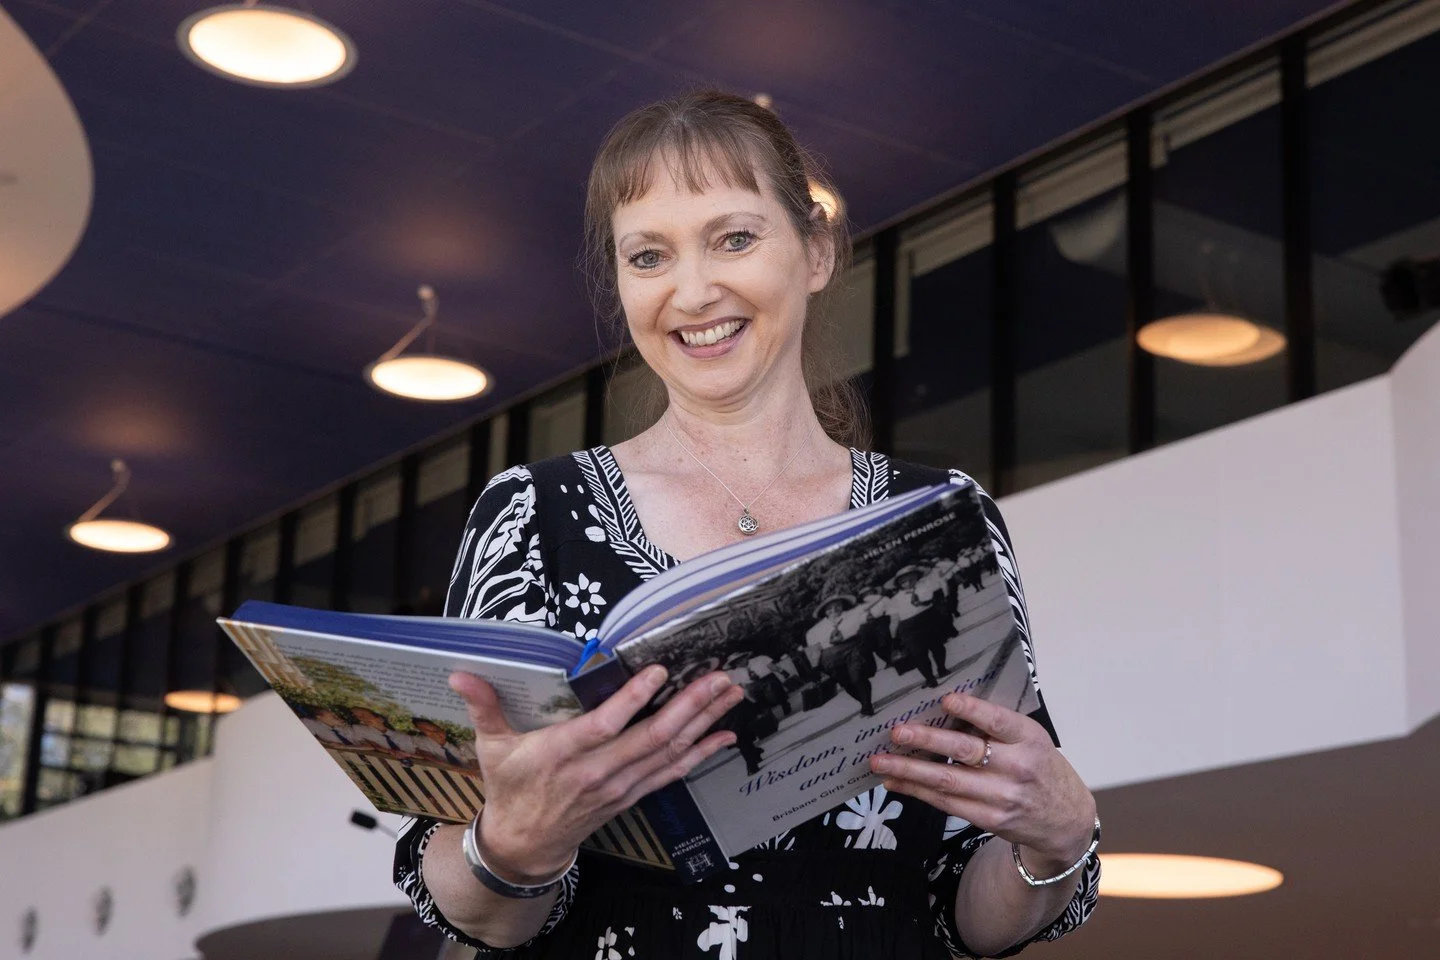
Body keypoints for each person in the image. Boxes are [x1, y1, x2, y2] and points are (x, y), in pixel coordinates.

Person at [395, 90, 1099, 959]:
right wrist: (512, 845)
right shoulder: (531, 517)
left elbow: (970, 917)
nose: (694, 291)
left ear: (814, 251)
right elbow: (469, 907)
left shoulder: (940, 519)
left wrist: (1055, 842)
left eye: (734, 239)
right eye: (649, 256)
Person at [806, 594, 877, 715]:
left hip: (853, 648)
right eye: (829, 608)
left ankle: (867, 705)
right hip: (831, 657)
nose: (833, 610)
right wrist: (815, 668)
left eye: (837, 606)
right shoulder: (814, 630)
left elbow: (872, 604)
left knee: (858, 676)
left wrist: (864, 601)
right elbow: (815, 650)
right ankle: (864, 702)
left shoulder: (854, 614)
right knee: (846, 682)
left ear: (843, 606)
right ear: (824, 612)